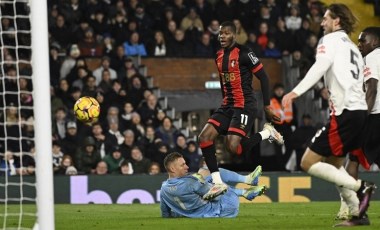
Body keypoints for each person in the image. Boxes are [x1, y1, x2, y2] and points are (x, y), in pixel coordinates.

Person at [281, 4, 376, 226]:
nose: (322, 23)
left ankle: (360, 187)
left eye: (326, 18)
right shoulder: (353, 47)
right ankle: (356, 212)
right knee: (334, 165)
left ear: (337, 21)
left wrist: (295, 92)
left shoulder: (329, 41)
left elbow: (320, 66)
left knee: (307, 162)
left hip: (345, 113)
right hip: (360, 113)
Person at [197, 21, 283, 200]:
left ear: (234, 35)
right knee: (204, 137)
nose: (222, 36)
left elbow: (264, 78)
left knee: (233, 147)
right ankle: (218, 183)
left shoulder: (245, 52)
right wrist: (224, 104)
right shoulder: (219, 56)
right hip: (228, 105)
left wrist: (267, 106)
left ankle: (267, 133)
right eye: (220, 33)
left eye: (226, 33)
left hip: (245, 105)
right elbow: (223, 82)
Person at [336, 26, 380, 221]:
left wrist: (363, 117)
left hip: (373, 117)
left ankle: (350, 208)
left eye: (363, 40)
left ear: (375, 42)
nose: (359, 44)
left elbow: (371, 89)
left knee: (352, 161)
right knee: (352, 160)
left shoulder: (372, 58)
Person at [160, 152, 266, 218]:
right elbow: (216, 196)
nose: (187, 167)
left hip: (196, 214)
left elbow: (166, 214)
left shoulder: (163, 189)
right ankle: (245, 186)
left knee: (204, 172)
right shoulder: (190, 183)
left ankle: (245, 191)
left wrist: (181, 214)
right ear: (172, 169)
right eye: (182, 165)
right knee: (216, 174)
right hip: (225, 209)